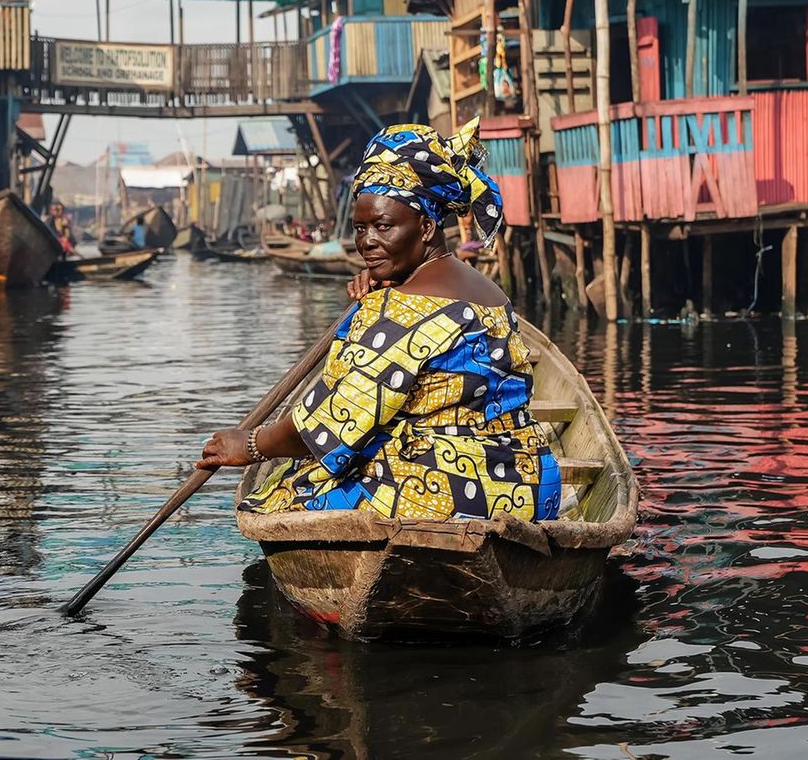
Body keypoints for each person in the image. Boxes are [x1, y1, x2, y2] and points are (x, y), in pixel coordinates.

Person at [198, 120, 561, 523]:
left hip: (455, 495)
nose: (367, 241)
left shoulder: (399, 309)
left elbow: (329, 425)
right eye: (360, 228)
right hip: (534, 486)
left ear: (426, 227)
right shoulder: (490, 293)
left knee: (281, 492)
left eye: (383, 226)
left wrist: (251, 444)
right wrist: (386, 290)